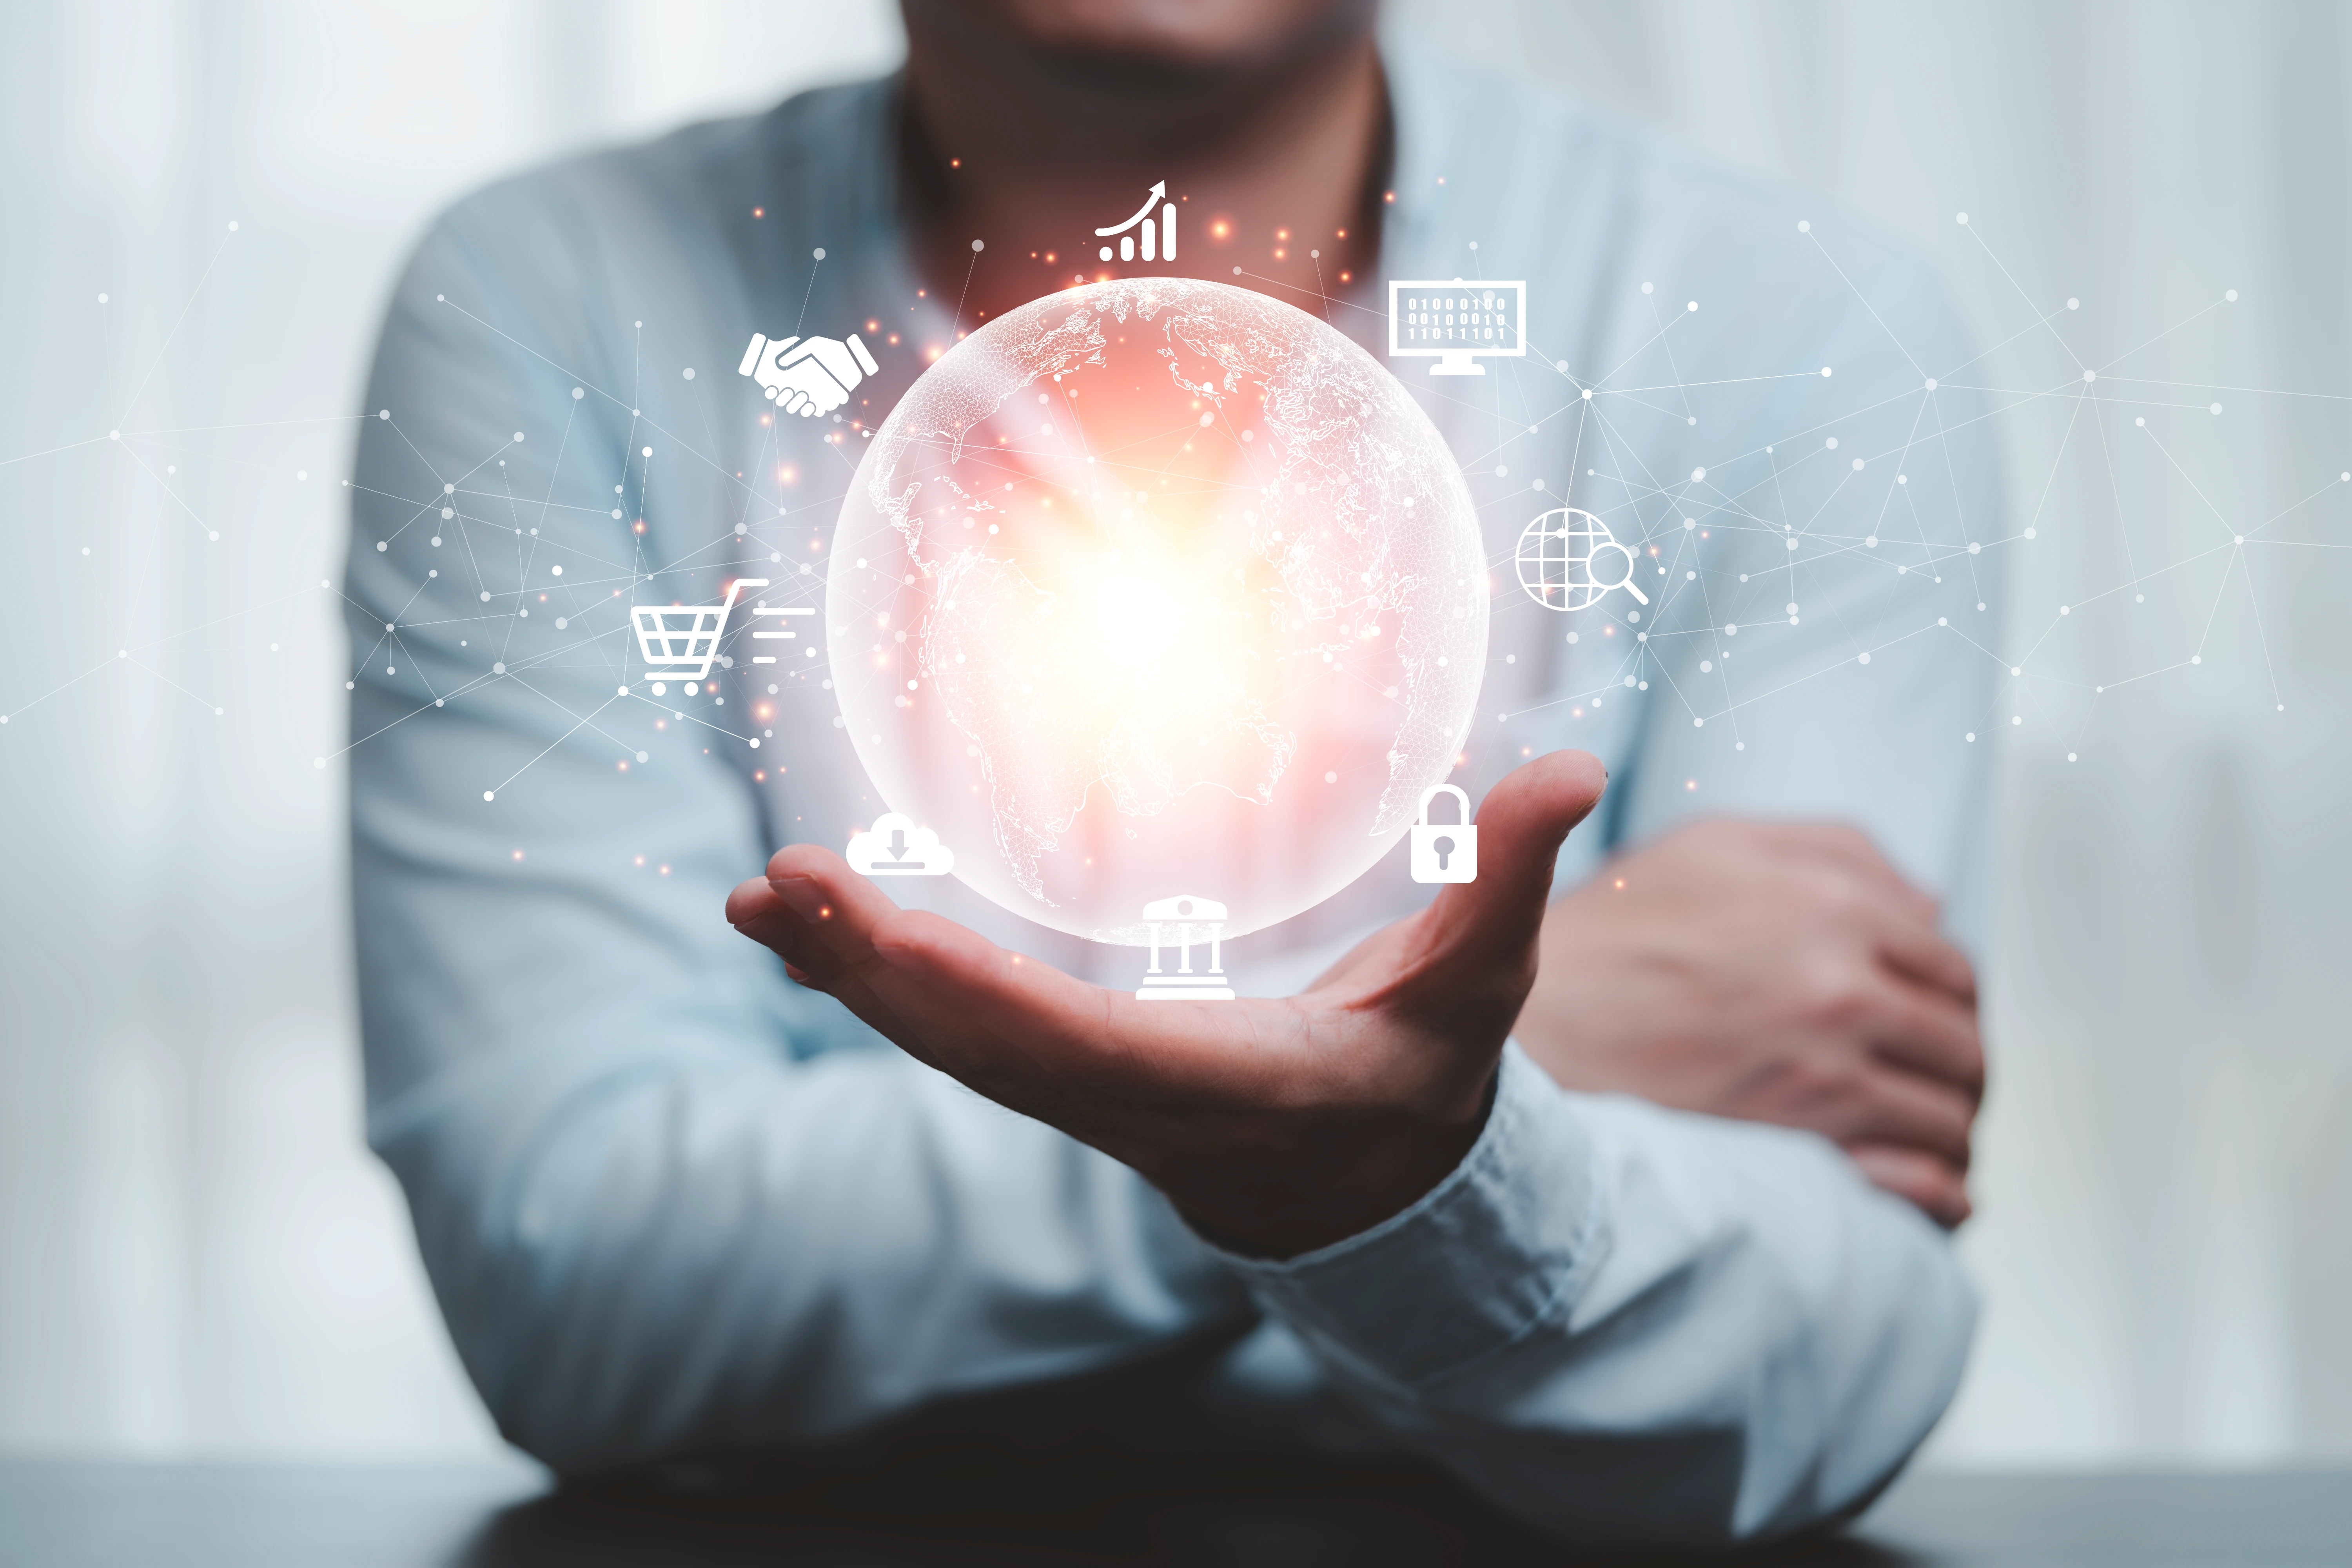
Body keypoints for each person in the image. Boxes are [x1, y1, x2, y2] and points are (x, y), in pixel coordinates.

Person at [345, 0, 1997, 1547]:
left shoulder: (1782, 316)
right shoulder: (552, 297)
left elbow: (1828, 1349)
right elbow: (578, 1276)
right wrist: (1417, 1089)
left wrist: (1327, 1133)